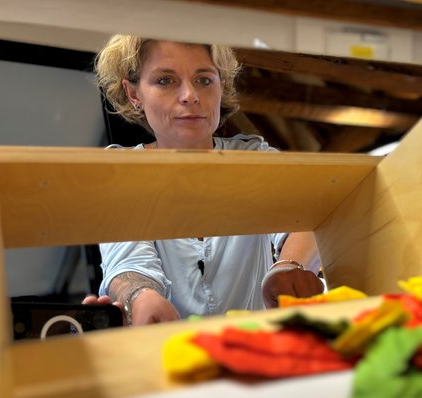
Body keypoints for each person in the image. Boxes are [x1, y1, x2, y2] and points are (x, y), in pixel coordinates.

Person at [83, 35, 324, 325]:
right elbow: (128, 266)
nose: (190, 95)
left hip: (260, 348)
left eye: (204, 80)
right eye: (165, 81)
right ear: (134, 94)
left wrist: (288, 267)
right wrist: (140, 296)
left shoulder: (253, 158)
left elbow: (305, 219)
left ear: (221, 87)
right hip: (169, 355)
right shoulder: (122, 172)